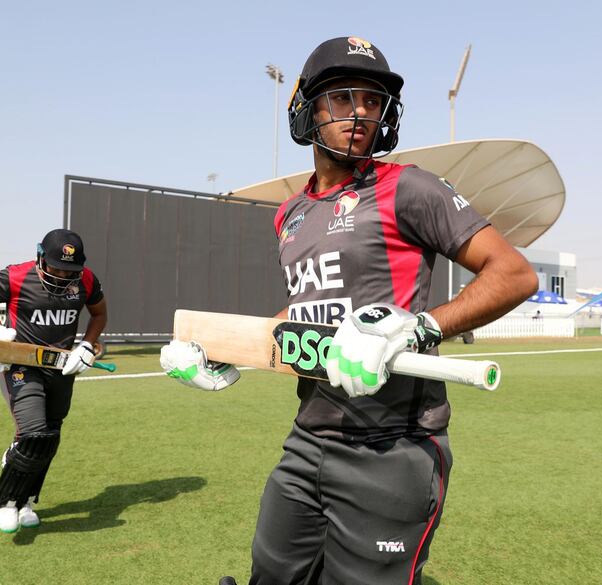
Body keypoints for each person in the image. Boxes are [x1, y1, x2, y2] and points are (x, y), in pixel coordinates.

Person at [160, 36, 537, 584]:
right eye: (341, 98)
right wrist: (226, 356)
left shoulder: (411, 188)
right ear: (308, 109)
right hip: (308, 438)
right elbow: (306, 309)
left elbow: (514, 273)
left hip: (393, 444)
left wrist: (418, 327)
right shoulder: (289, 215)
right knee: (271, 575)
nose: (359, 112)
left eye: (372, 100)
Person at [0, 228, 107, 533]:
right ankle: (7, 503)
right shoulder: (15, 276)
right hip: (21, 364)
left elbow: (99, 315)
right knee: (33, 433)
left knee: (51, 436)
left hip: (62, 367)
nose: (62, 275)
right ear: (40, 257)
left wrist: (86, 345)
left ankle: (27, 501)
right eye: (56, 267)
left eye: (69, 270)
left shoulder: (87, 279)